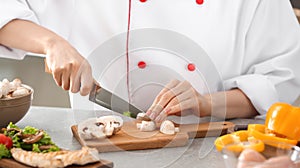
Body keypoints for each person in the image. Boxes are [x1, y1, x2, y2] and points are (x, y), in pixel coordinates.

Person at [0, 0, 299, 123]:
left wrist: (206, 103)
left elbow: (282, 78)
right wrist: (51, 43)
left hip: (214, 156)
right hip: (97, 154)